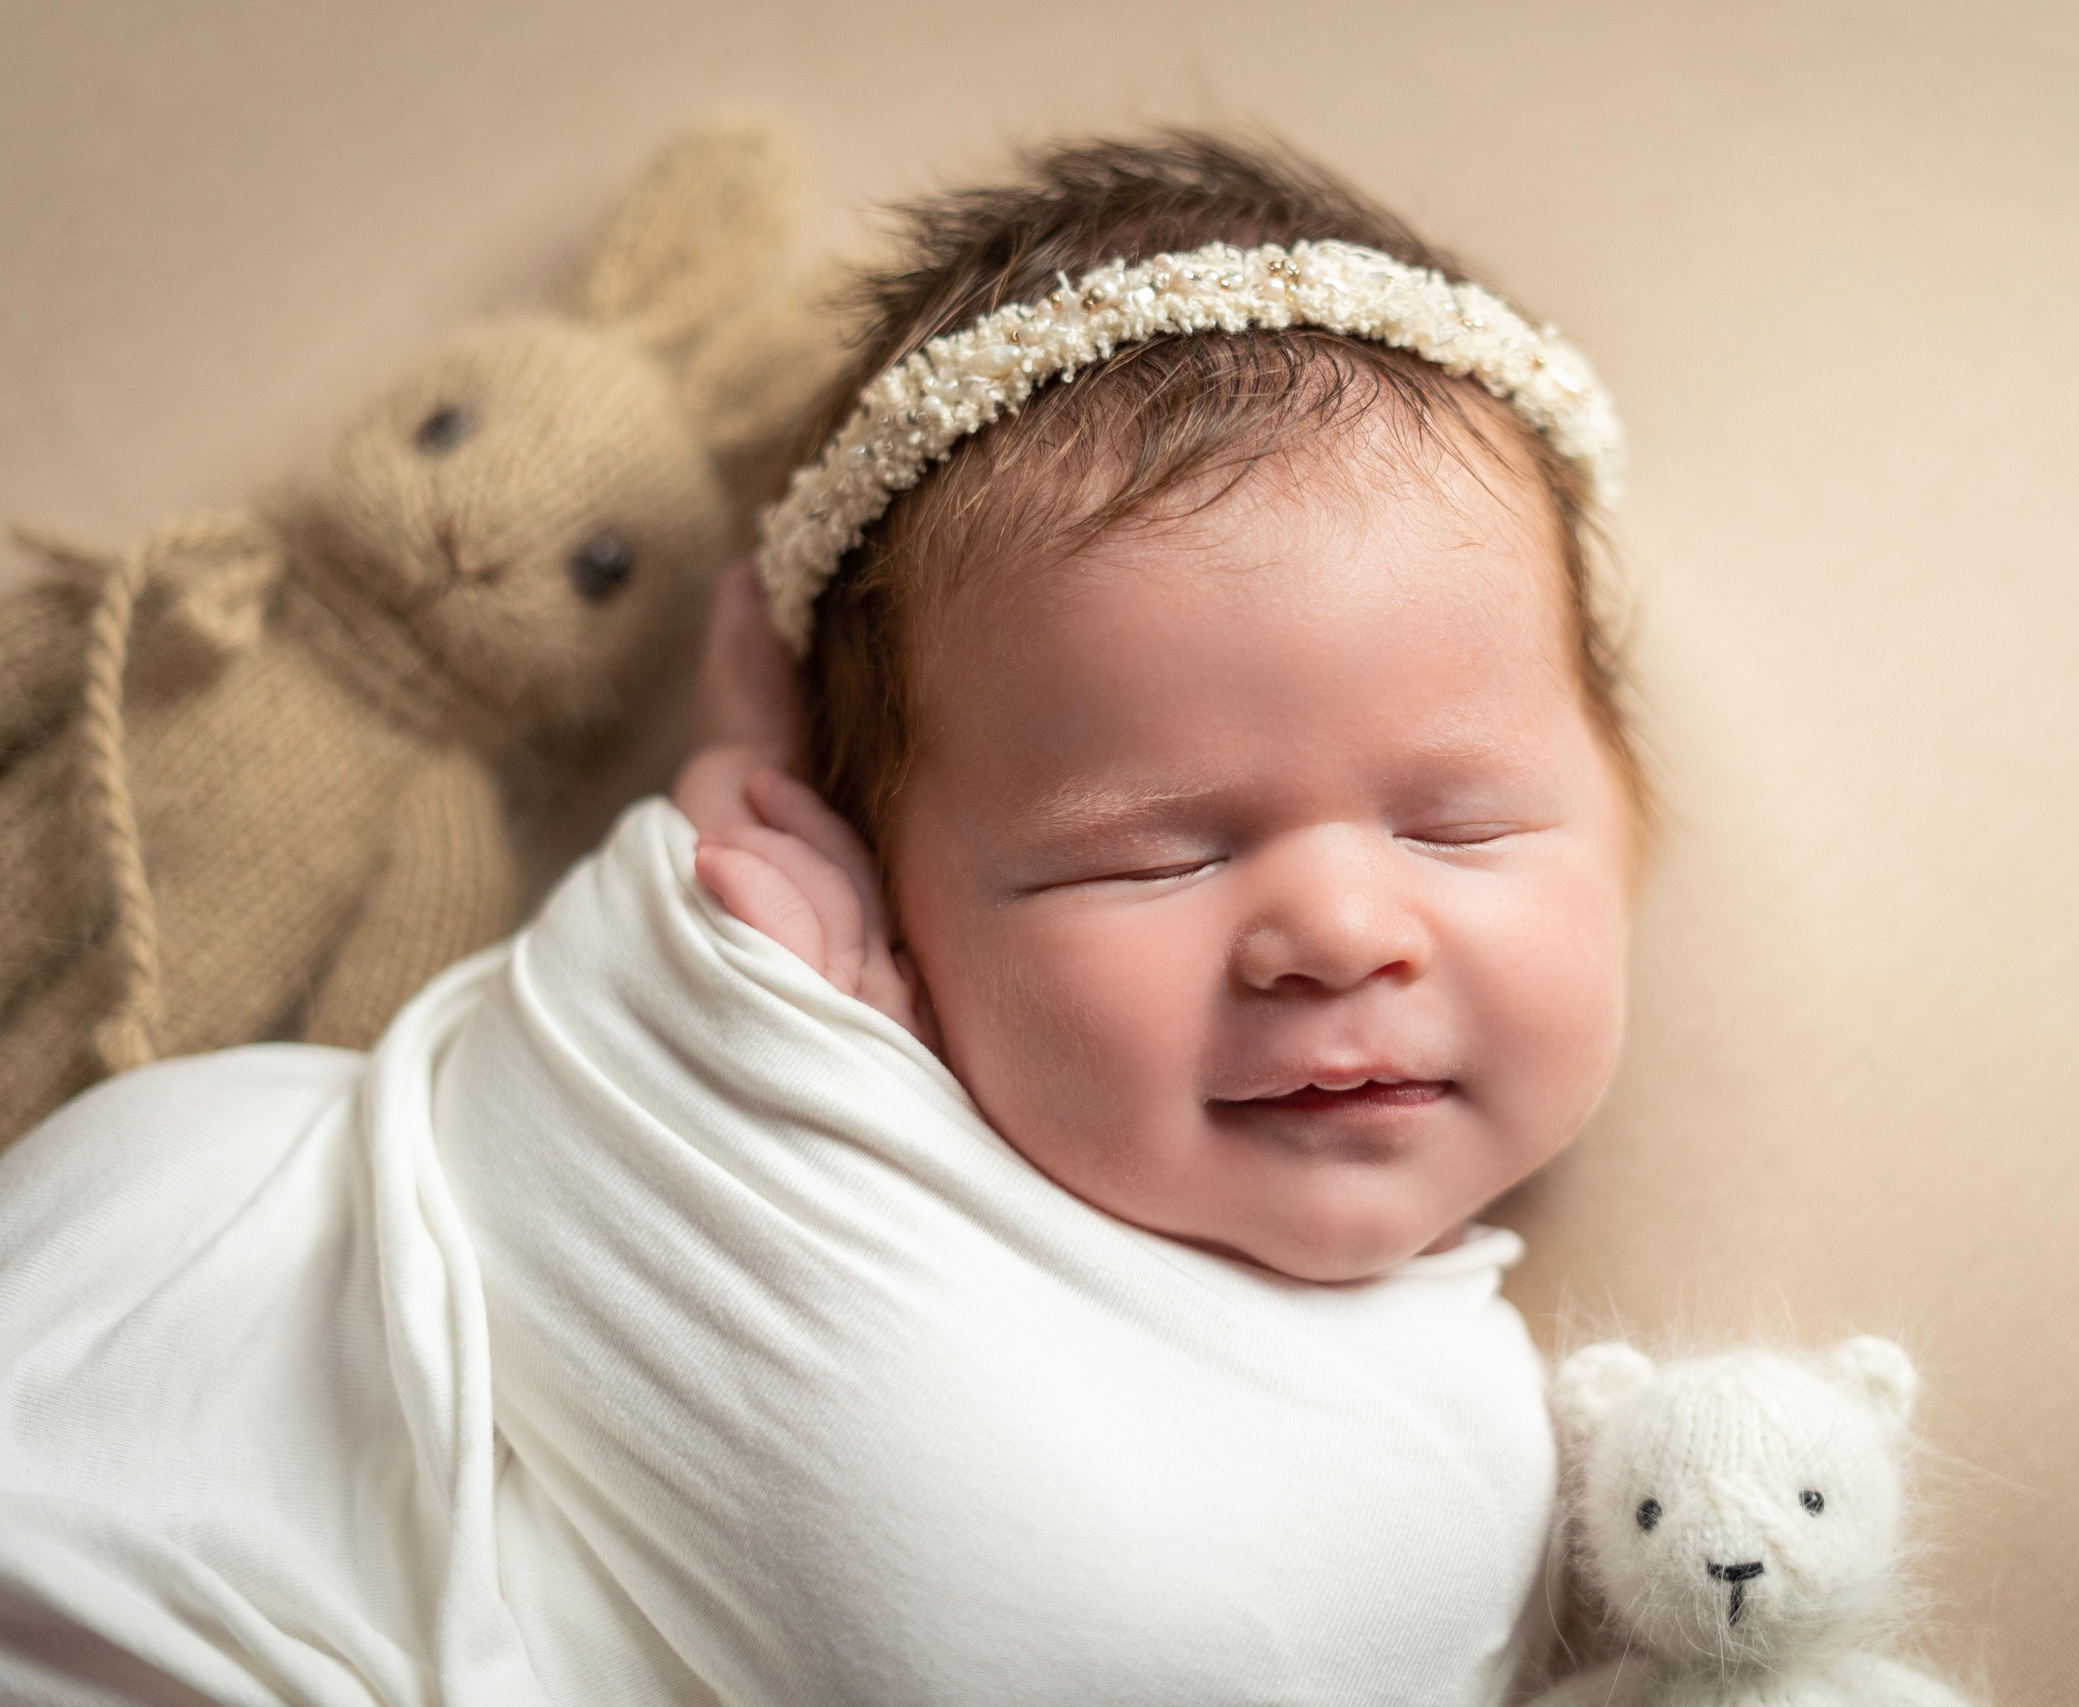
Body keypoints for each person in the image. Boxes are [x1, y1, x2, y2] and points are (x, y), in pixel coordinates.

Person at [0, 134, 1641, 1705]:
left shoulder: (1485, 1449)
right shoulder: (769, 1028)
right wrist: (721, 989)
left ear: (1632, 831)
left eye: (1458, 823)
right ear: (879, 883)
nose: (1342, 930)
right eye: (1150, 858)